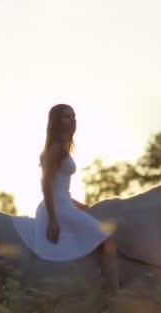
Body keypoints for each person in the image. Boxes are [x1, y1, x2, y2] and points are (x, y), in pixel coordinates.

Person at [36, 104, 119, 295]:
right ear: (57, 122)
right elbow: (46, 185)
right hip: (57, 208)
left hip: (64, 204)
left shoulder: (65, 147)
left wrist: (81, 206)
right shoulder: (56, 148)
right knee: (108, 239)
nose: (72, 120)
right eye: (67, 117)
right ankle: (114, 296)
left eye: (74, 116)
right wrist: (53, 220)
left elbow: (61, 190)